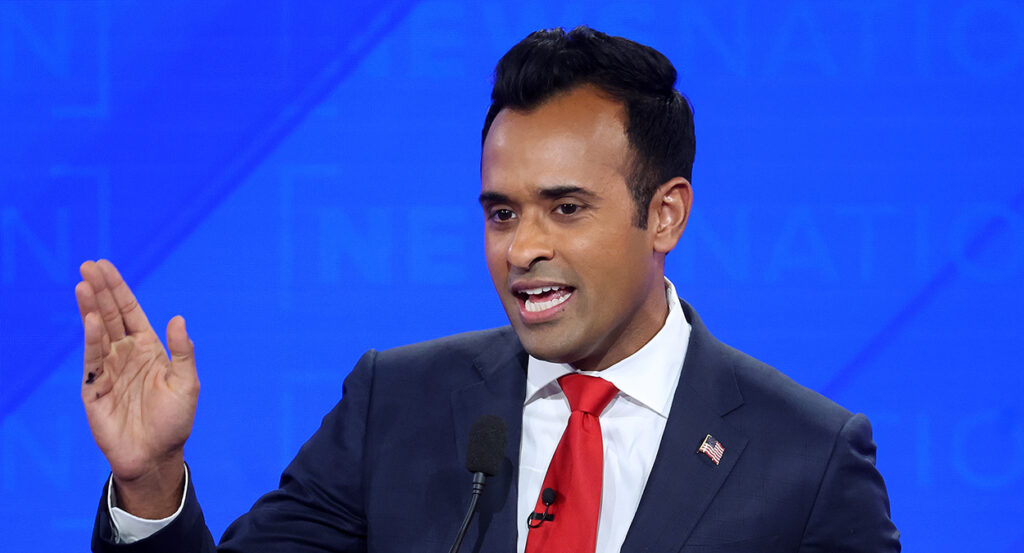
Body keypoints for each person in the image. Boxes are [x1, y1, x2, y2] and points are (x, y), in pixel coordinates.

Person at [78, 26, 900, 552]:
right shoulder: (394, 405)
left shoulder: (808, 458)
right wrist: (150, 481)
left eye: (565, 208)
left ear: (665, 215)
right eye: (502, 212)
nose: (523, 248)